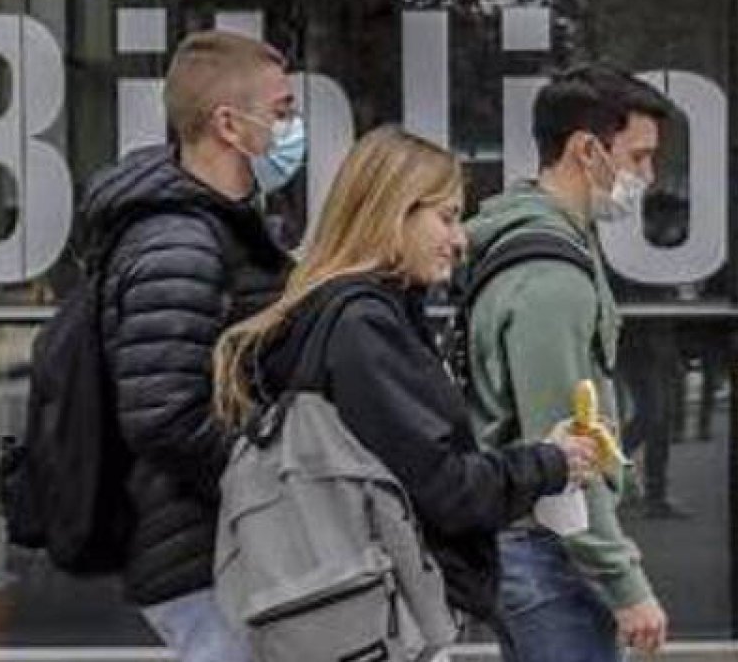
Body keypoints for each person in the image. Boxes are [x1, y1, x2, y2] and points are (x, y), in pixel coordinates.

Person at [210, 125, 600, 650]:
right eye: (447, 217)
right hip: (384, 614)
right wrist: (550, 464)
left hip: (346, 605)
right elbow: (444, 487)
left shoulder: (330, 313)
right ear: (394, 212)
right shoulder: (363, 328)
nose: (459, 241)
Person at [88, 31, 298, 661]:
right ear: (229, 125)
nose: (292, 128)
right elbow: (164, 417)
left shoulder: (217, 229)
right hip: (202, 556)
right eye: (282, 111)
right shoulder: (178, 243)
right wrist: (274, 473)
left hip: (221, 544)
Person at [465, 63, 672, 660]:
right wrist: (625, 584)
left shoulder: (536, 238)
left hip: (536, 545)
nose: (647, 176)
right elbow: (565, 451)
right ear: (586, 149)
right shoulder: (551, 278)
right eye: (638, 157)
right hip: (546, 550)